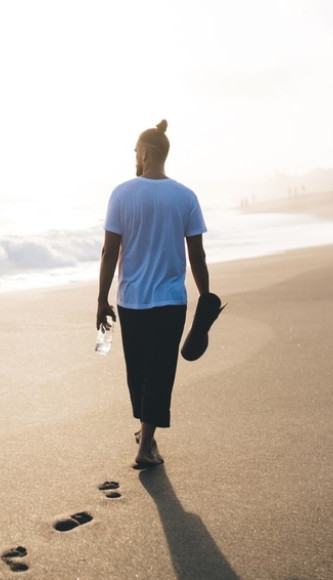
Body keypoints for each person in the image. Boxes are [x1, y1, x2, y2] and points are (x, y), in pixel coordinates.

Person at [96, 119, 210, 468]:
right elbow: (197, 254)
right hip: (170, 302)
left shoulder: (121, 194)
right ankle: (147, 437)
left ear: (145, 153)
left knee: (139, 372)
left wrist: (101, 299)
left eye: (135, 152)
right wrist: (206, 295)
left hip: (131, 301)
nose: (135, 157)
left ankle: (145, 443)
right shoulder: (185, 196)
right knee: (159, 372)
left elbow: (109, 251)